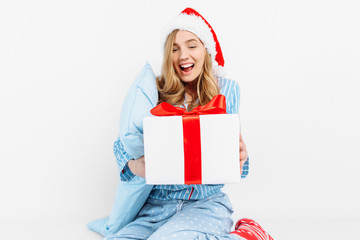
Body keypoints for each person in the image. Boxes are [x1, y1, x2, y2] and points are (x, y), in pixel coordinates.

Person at [107, 8, 273, 240]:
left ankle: (248, 235)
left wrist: (242, 157)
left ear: (206, 50)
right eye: (174, 49)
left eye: (192, 45)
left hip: (205, 205)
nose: (183, 55)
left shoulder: (226, 90)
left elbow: (237, 166)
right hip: (156, 207)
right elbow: (122, 146)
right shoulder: (155, 91)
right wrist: (136, 166)